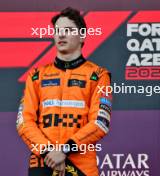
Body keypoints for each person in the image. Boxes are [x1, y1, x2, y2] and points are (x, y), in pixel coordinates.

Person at [16, 7, 112, 176]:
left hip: (82, 165)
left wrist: (64, 150)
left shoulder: (98, 75)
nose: (61, 35)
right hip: (43, 161)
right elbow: (24, 122)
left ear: (82, 35)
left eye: (68, 30)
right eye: (58, 31)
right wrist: (48, 152)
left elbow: (99, 123)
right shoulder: (36, 76)